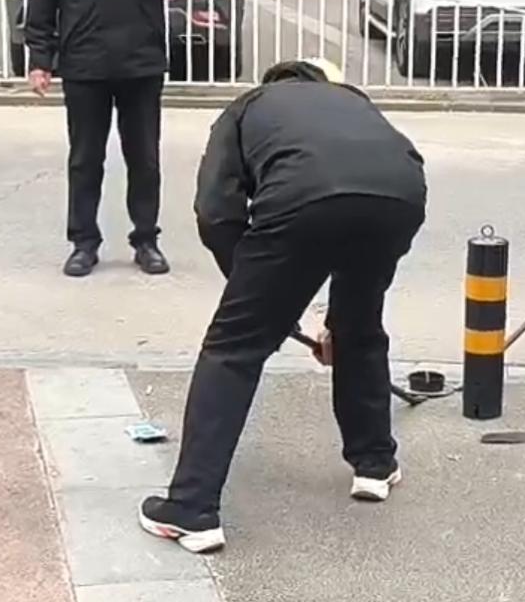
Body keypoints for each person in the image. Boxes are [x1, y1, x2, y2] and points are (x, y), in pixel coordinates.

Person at [139, 60, 427, 554]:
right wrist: (283, 304)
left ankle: (191, 507)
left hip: (304, 197)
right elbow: (367, 172)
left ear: (274, 84)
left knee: (232, 350)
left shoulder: (247, 107)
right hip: (400, 196)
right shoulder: (351, 99)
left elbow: (216, 211)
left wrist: (254, 296)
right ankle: (375, 463)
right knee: (358, 326)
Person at [25, 0, 193, 278]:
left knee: (145, 158)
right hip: (85, 61)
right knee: (85, 159)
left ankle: (146, 240)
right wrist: (40, 58)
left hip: (141, 59)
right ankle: (84, 242)